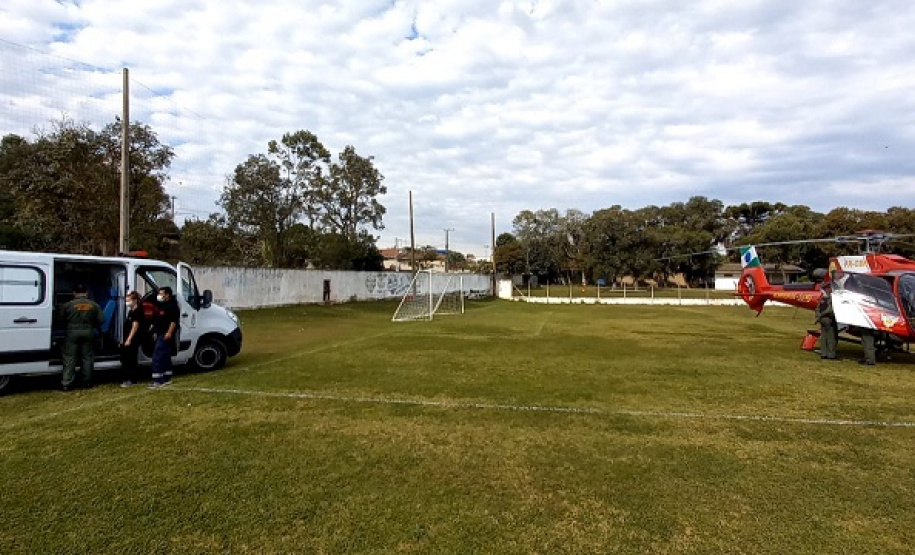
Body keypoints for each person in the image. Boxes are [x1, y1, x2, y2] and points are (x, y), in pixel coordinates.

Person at [59, 284, 104, 391]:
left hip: (72, 333)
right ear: (86, 292)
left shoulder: (67, 305)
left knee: (70, 357)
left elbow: (60, 320)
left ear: (74, 293)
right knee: (87, 357)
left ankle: (67, 383)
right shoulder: (94, 305)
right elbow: (101, 320)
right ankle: (87, 382)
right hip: (88, 332)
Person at [150, 286, 180, 388]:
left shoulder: (172, 306)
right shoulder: (162, 305)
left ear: (167, 295)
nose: (159, 295)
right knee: (165, 355)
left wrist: (169, 333)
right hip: (160, 333)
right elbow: (159, 319)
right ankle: (167, 377)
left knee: (158, 356)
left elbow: (173, 321)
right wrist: (155, 331)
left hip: (165, 333)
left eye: (161, 293)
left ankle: (158, 380)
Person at [120, 291, 146, 387]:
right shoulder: (131, 311)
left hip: (133, 339)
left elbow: (135, 327)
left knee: (130, 359)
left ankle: (132, 379)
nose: (127, 301)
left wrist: (129, 339)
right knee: (127, 358)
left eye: (128, 299)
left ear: (135, 300)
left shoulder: (137, 312)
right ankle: (129, 378)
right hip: (129, 338)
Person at [815, 283, 838, 360]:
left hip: (822, 320)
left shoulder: (822, 299)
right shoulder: (832, 298)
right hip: (829, 319)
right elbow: (830, 310)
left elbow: (817, 309)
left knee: (824, 337)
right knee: (831, 337)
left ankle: (823, 353)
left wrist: (819, 317)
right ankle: (831, 355)